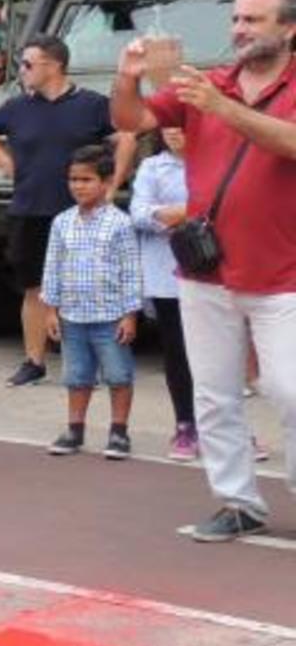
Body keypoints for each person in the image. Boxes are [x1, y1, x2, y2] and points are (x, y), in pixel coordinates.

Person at [110, 0, 296, 543]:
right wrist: (127, 78)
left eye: (253, 20)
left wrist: (222, 106)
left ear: (288, 29)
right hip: (205, 270)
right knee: (213, 395)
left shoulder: (222, 92)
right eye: (236, 18)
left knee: (290, 390)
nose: (239, 29)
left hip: (281, 274)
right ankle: (237, 502)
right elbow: (131, 121)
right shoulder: (206, 84)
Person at [0, 36, 131, 388]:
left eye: (28, 64)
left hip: (81, 212)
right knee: (35, 287)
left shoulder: (92, 104)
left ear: (53, 65)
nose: (22, 72)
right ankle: (34, 360)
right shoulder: (17, 107)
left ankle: (101, 360)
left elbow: (126, 136)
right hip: (30, 208)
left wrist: (113, 183)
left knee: (91, 282)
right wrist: (9, 166)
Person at [40, 144, 142, 459]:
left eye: (86, 180)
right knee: (76, 376)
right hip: (72, 317)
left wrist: (130, 314)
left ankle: (119, 432)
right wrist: (50, 310)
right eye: (73, 179)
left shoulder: (120, 223)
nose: (78, 186)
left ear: (107, 182)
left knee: (118, 375)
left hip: (110, 316)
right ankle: (74, 429)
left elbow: (131, 270)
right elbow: (52, 267)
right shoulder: (62, 222)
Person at [131, 127, 202, 460]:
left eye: (182, 124)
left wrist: (174, 212)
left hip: (213, 272)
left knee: (220, 356)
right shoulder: (152, 167)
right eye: (168, 125)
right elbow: (139, 213)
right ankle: (185, 424)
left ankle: (235, 429)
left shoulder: (213, 160)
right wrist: (189, 212)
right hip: (167, 274)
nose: (174, 132)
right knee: (177, 352)